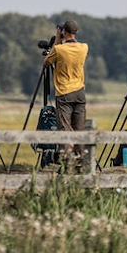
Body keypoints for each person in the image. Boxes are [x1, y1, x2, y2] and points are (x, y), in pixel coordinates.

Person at [43, 19, 88, 168]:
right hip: (80, 92)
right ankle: (81, 163)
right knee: (79, 129)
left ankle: (67, 163)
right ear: (76, 33)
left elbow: (47, 62)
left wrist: (57, 40)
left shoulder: (59, 49)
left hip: (64, 93)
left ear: (64, 32)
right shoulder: (84, 48)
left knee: (65, 128)